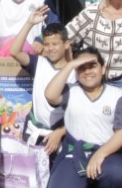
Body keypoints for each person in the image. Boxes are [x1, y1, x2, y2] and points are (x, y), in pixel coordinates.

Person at [42, 48, 122, 188]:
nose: (88, 72)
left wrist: (101, 154)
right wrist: (70, 65)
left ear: (103, 69)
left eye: (92, 66)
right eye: (81, 68)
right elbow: (50, 95)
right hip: (75, 152)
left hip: (107, 152)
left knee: (119, 175)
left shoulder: (117, 96)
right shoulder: (71, 91)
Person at [7, 8, 74, 149]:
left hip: (61, 136)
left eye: (55, 44)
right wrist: (29, 23)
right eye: (47, 44)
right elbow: (14, 51)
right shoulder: (38, 63)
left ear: (66, 44)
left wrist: (60, 132)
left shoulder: (76, 72)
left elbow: (82, 114)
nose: (51, 48)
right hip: (34, 131)